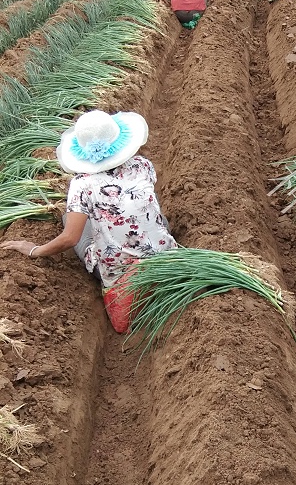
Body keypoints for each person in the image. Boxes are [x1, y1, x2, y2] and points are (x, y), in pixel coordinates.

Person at [1, 111, 176, 333]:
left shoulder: (81, 184)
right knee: (157, 217)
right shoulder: (142, 165)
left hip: (119, 267)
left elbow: (69, 238)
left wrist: (34, 250)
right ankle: (156, 262)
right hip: (163, 252)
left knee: (71, 221)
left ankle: (127, 277)